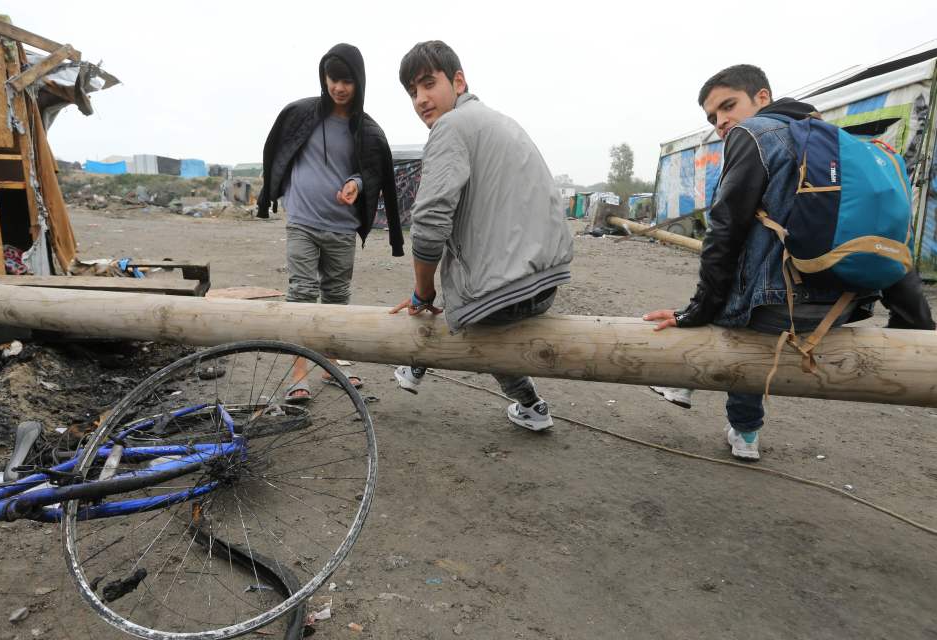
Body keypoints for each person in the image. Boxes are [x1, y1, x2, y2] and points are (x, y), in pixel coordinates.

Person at [645, 64, 935, 460]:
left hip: (778, 309)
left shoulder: (754, 133)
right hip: (846, 307)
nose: (721, 122)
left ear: (762, 98)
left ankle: (719, 409)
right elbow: (894, 236)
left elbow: (724, 231)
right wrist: (916, 326)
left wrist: (695, 313)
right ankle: (732, 421)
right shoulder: (846, 142)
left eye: (728, 106)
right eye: (712, 117)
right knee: (737, 301)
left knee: (733, 308)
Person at [389, 40, 573, 431]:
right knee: (477, 313)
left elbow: (428, 223)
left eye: (427, 84)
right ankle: (528, 407)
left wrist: (423, 294)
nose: (421, 99)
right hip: (545, 282)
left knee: (459, 314)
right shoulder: (502, 121)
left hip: (505, 292)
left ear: (458, 81)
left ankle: (416, 365)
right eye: (412, 92)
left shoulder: (449, 127)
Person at [257, 43, 404, 402]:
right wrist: (272, 196)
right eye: (332, 79)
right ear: (324, 78)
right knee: (302, 294)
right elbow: (276, 150)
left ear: (359, 83)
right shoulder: (300, 114)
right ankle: (298, 374)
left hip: (340, 227)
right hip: (303, 221)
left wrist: (356, 182)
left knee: (337, 298)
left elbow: (372, 171)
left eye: (347, 81)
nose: (338, 87)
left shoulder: (367, 131)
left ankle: (331, 363)